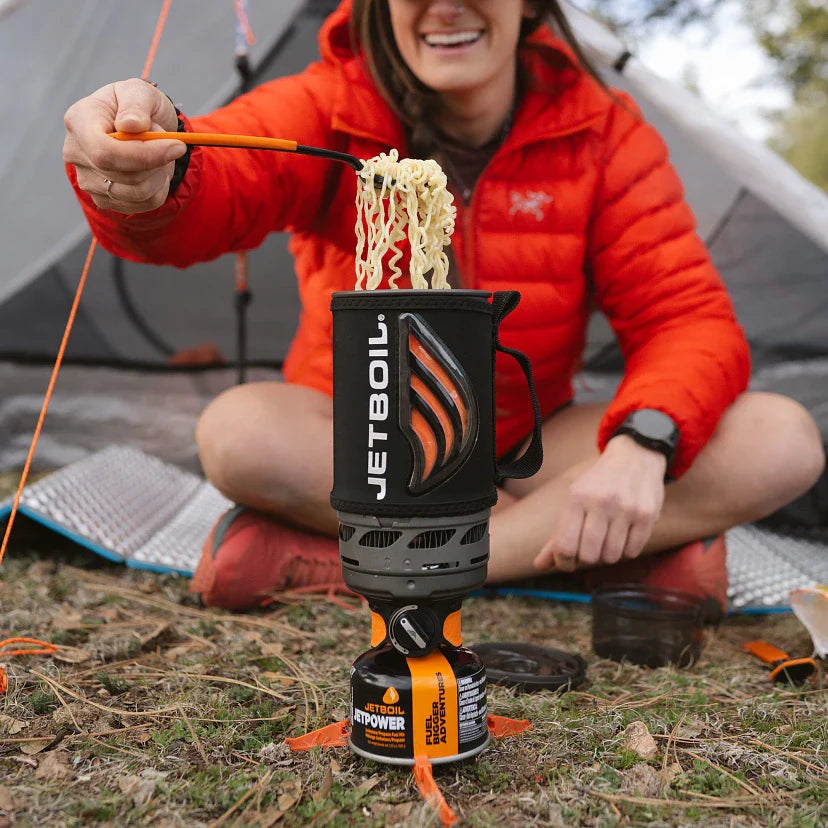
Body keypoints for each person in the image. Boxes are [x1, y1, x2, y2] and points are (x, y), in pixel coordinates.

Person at [63, 0, 825, 617]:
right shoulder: (333, 103)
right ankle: (590, 557)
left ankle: (377, 567)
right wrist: (154, 176)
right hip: (364, 440)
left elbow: (685, 318)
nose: (444, 7)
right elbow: (226, 176)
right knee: (236, 433)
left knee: (782, 437)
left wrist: (642, 447)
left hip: (524, 449)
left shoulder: (603, 130)